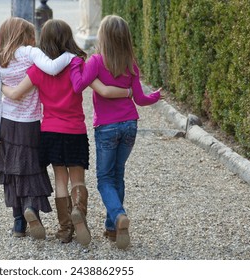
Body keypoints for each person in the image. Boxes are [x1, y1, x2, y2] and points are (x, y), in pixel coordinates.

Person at [2, 19, 129, 246]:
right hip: (74, 130)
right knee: (77, 178)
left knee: (60, 179)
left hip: (49, 131)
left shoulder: (38, 70)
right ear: (68, 39)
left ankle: (64, 229)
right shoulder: (77, 64)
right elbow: (99, 86)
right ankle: (79, 212)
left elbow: (16, 93)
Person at [69, 15, 161, 249]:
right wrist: (156, 96)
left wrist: (74, 65)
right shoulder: (131, 63)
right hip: (130, 124)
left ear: (103, 37)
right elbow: (140, 99)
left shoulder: (96, 62)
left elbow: (78, 85)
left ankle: (119, 215)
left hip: (107, 127)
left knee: (104, 179)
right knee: (117, 174)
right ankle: (112, 228)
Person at [0, 17, 74, 240]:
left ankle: (18, 223)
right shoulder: (30, 53)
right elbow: (53, 68)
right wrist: (71, 53)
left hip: (7, 124)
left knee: (12, 171)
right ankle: (31, 209)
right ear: (25, 36)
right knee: (32, 168)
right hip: (31, 124)